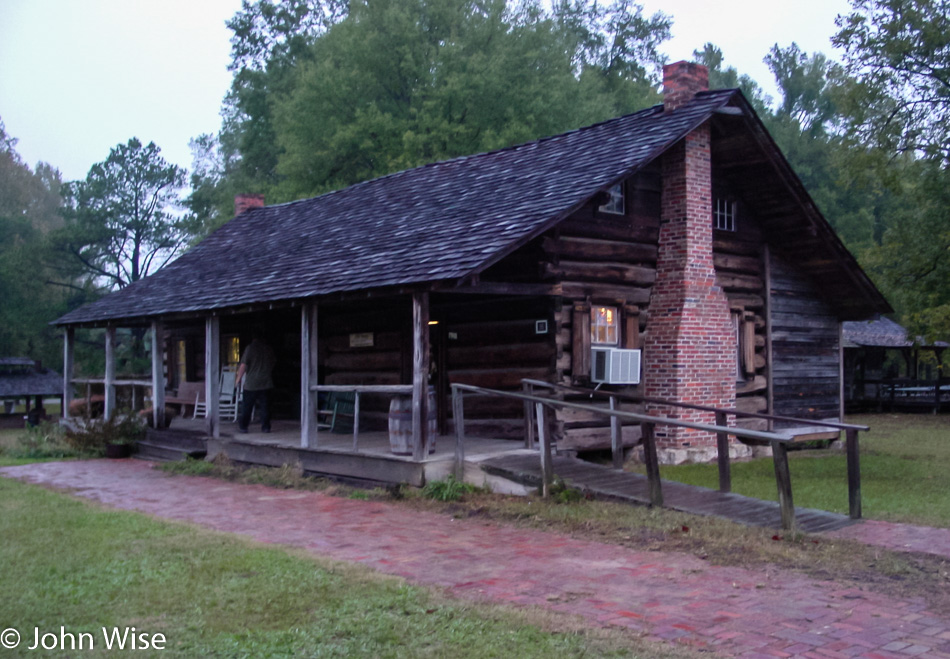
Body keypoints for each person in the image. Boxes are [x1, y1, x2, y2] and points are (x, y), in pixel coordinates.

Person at [235, 331, 276, 433]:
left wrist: (238, 379)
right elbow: (273, 362)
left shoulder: (250, 348)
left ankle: (244, 426)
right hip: (266, 382)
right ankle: (266, 427)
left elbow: (243, 365)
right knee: (265, 407)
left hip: (251, 383)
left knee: (247, 406)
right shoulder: (268, 349)